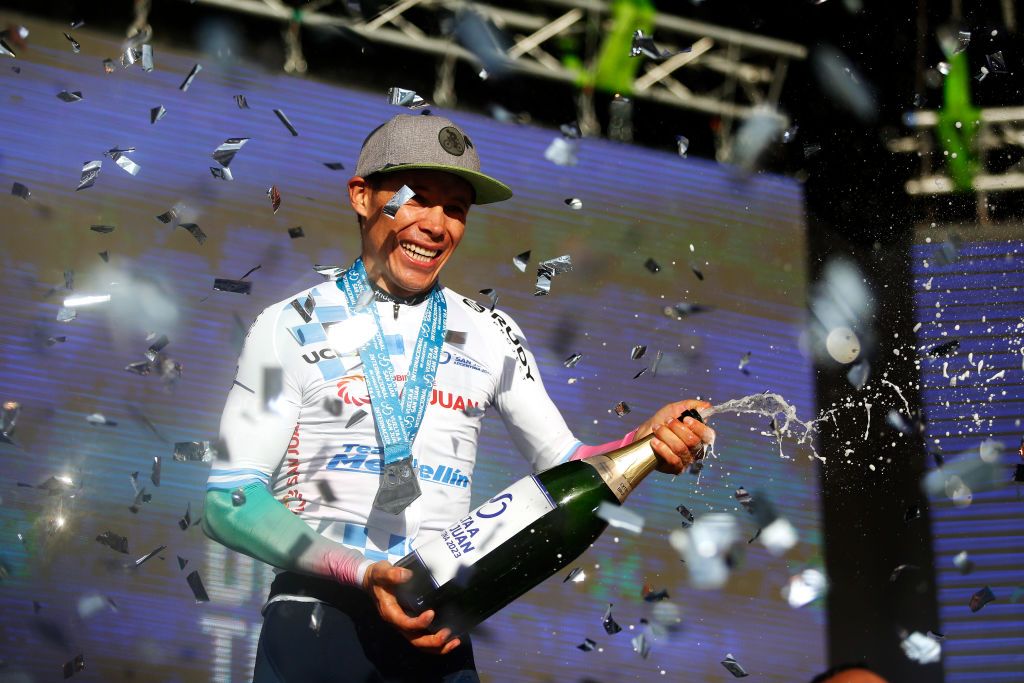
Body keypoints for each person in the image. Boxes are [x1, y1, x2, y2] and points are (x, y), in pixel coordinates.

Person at [202, 113, 715, 682]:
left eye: (455, 208)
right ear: (361, 196)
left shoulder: (492, 331)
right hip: (319, 618)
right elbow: (230, 501)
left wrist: (643, 442)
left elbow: (566, 465)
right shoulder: (290, 323)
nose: (435, 224)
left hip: (437, 629)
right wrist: (364, 574)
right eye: (416, 198)